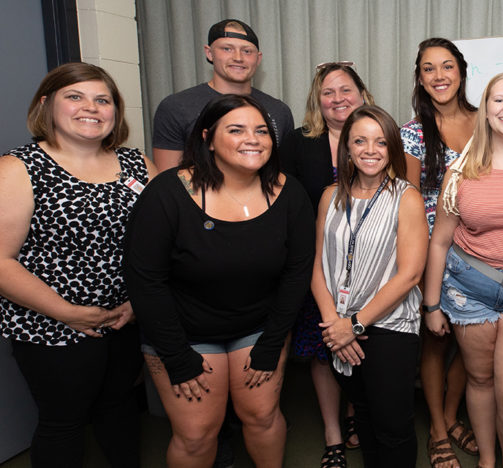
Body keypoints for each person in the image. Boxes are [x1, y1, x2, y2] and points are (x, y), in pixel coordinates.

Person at [125, 94, 314, 468]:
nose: (253, 139)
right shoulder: (167, 193)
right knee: (196, 434)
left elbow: (297, 271)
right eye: (237, 129)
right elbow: (145, 279)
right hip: (183, 329)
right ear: (208, 138)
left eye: (262, 130)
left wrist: (273, 341)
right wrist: (177, 357)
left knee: (261, 416)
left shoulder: (289, 192)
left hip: (259, 326)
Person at [0, 62, 155, 468]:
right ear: (46, 105)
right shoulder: (20, 168)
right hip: (50, 325)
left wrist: (137, 303)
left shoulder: (137, 164)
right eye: (75, 97)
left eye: (102, 100)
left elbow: (163, 241)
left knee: (120, 407)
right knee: (62, 422)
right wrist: (68, 313)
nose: (91, 108)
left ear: (115, 111)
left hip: (124, 317)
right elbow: (0, 261)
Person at [422, 72, 503, 468]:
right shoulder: (460, 172)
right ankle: (487, 461)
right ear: (485, 109)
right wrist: (431, 306)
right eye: (499, 100)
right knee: (479, 381)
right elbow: (440, 241)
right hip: (468, 291)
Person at [314, 105, 428, 467]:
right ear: (346, 147)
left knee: (392, 426)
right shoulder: (329, 197)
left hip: (387, 329)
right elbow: (317, 265)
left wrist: (355, 324)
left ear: (392, 147)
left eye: (380, 142)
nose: (370, 150)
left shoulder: (405, 197)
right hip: (340, 328)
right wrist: (335, 324)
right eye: (360, 140)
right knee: (362, 414)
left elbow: (410, 274)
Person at [280, 61, 373, 468]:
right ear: (317, 100)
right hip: (318, 260)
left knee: (361, 342)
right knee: (323, 347)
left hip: (369, 263)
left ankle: (354, 418)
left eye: (345, 90)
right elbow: (284, 199)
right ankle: (333, 433)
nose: (338, 99)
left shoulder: (378, 135)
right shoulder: (299, 142)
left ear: (362, 94)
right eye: (328, 92)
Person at [401, 37, 479, 468]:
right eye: (429, 68)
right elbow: (409, 200)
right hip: (435, 251)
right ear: (420, 77)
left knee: (472, 345)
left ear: (461, 72)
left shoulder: (487, 120)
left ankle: (450, 417)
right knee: (435, 341)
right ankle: (436, 427)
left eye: (446, 66)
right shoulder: (412, 133)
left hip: (482, 248)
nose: (439, 76)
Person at [151, 18, 293, 172]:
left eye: (247, 51)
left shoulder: (279, 110)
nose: (238, 58)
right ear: (209, 53)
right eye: (227, 49)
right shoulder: (176, 107)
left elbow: (282, 173)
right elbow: (169, 180)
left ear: (258, 59)